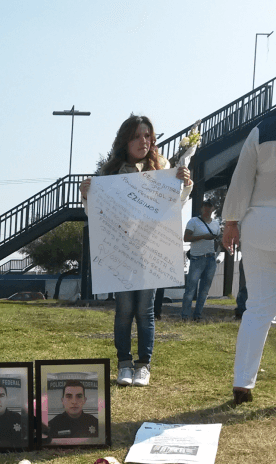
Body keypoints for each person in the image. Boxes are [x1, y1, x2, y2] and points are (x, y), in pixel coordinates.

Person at [80, 115, 192, 387]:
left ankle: (143, 365)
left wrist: (185, 184)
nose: (144, 141)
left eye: (147, 135)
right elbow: (96, 214)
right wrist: (86, 194)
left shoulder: (162, 168)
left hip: (151, 249)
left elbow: (173, 207)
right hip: (121, 250)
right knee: (124, 309)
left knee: (145, 310)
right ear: (125, 140)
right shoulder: (111, 173)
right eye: (137, 136)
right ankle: (124, 364)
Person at [222, 113, 276, 406]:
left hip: (259, 223)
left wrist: (231, 221)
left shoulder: (261, 129)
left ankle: (242, 384)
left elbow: (241, 179)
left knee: (257, 308)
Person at [181, 200, 220, 321]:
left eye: (210, 207)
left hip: (211, 258)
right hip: (197, 258)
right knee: (190, 289)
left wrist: (218, 253)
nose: (207, 210)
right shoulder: (193, 221)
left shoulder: (216, 223)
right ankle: (185, 316)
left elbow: (217, 239)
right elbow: (186, 238)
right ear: (201, 209)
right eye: (205, 207)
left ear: (213, 209)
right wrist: (203, 236)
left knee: (204, 290)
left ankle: (197, 315)